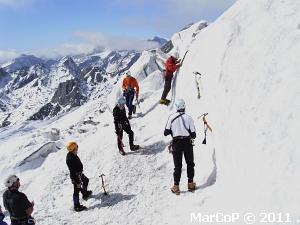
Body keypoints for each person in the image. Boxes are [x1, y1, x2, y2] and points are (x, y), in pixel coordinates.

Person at [164, 99, 196, 195]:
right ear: (184, 106)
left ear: (176, 107)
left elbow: (165, 132)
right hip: (187, 143)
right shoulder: (189, 118)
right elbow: (194, 135)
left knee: (177, 166)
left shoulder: (171, 117)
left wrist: (174, 130)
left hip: (176, 143)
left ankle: (176, 186)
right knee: (190, 163)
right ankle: (190, 184)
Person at [66, 142, 92, 212]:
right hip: (76, 176)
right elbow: (72, 172)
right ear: (73, 149)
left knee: (86, 180)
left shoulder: (73, 154)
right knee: (76, 190)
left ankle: (85, 193)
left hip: (79, 174)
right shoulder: (70, 159)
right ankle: (76, 206)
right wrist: (77, 182)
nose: (77, 149)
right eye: (76, 148)